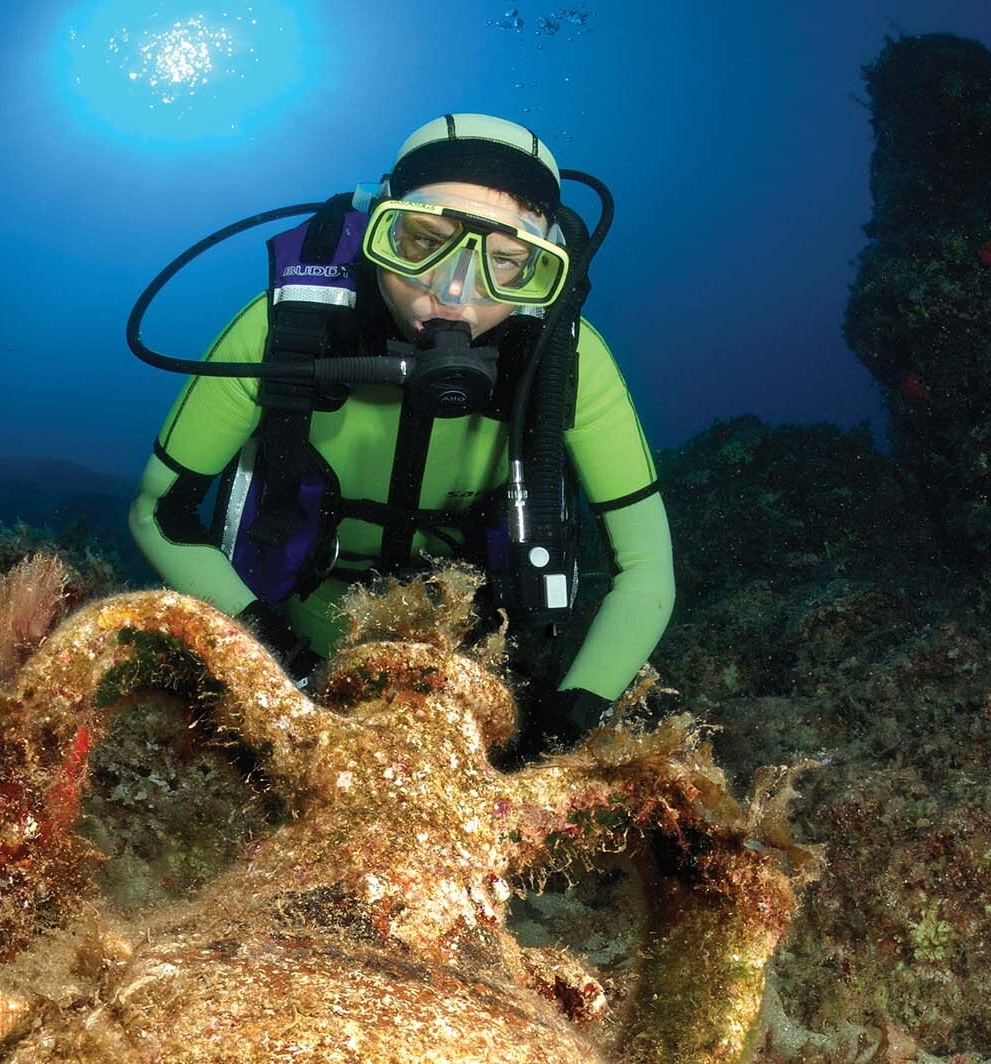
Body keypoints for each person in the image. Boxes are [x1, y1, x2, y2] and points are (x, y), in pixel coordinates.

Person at [129, 113, 674, 754]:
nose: (451, 292)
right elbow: (157, 512)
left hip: (482, 688)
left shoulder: (569, 365)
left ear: (542, 275)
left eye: (506, 263)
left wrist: (557, 735)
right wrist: (276, 664)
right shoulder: (287, 329)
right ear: (374, 228)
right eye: (420, 242)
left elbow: (646, 574)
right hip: (283, 659)